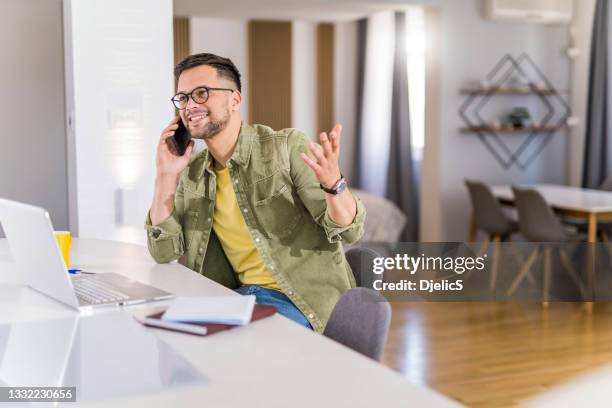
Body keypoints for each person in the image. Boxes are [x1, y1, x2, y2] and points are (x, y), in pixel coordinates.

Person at [145, 53, 365, 333]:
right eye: (183, 98)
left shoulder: (284, 148)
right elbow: (163, 252)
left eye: (201, 93)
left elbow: (351, 231)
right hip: (236, 299)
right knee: (163, 333)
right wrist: (166, 174)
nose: (190, 105)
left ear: (235, 100)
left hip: (300, 302)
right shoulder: (193, 174)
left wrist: (335, 185)